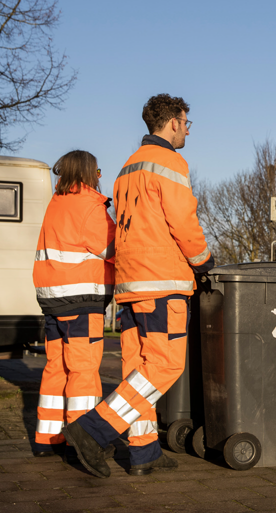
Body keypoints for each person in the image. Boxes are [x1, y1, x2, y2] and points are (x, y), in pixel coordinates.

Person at [64, 94, 214, 478]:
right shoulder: (170, 162)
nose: (186, 131)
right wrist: (203, 261)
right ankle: (92, 431)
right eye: (186, 123)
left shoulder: (128, 166)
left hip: (130, 281)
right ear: (173, 122)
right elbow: (183, 220)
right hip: (161, 280)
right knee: (164, 365)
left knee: (138, 368)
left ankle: (143, 451)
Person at [32, 151, 116, 462]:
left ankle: (47, 438)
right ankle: (83, 441)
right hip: (82, 301)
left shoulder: (57, 202)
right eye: (98, 170)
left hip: (52, 301)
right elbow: (113, 248)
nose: (100, 176)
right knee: (83, 371)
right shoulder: (89, 206)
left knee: (57, 368)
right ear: (88, 173)